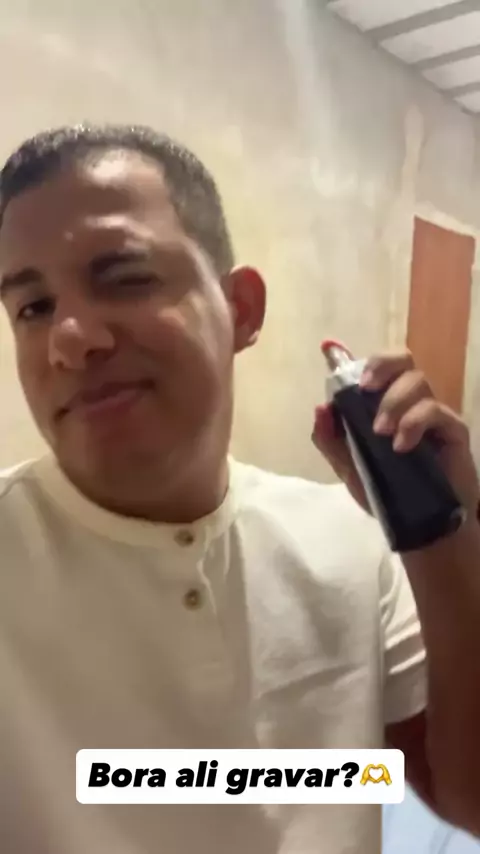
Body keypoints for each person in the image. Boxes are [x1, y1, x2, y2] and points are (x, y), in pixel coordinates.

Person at [0, 123, 479, 854]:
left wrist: (445, 538)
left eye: (124, 278)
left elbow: (467, 798)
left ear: (240, 310)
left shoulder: (345, 543)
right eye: (32, 307)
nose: (70, 338)